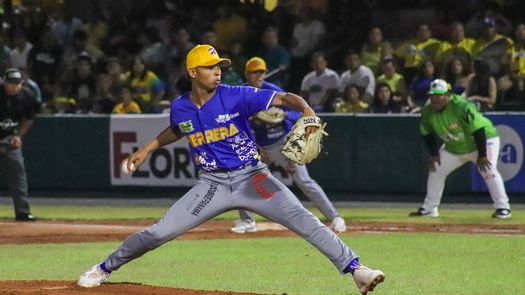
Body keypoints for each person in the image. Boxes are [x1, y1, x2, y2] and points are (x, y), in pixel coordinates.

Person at [77, 45, 385, 294]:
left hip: (255, 180)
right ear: (193, 72)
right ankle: (104, 268)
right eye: (211, 67)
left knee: (305, 220)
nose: (218, 71)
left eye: (219, 66)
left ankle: (356, 270)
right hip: (211, 187)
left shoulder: (237, 94)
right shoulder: (181, 106)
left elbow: (282, 98)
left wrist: (305, 109)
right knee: (159, 232)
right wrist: (147, 149)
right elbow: (178, 128)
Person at [230, 57, 346, 234]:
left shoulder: (272, 91)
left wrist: (284, 116)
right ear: (247, 74)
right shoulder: (241, 95)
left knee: (304, 181)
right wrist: (255, 148)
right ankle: (248, 222)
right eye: (255, 72)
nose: (260, 75)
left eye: (262, 72)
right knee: (241, 178)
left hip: (283, 143)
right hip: (260, 147)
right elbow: (237, 127)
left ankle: (335, 217)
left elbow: (295, 112)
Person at [410, 79, 511, 219]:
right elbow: (426, 132)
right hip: (455, 146)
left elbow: (478, 129)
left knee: (488, 170)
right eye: (432, 95)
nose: (435, 99)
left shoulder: (462, 106)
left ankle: (503, 208)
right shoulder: (428, 110)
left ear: (448, 95)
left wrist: (482, 155)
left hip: (482, 141)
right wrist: (434, 154)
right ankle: (429, 209)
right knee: (436, 169)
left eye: (439, 95)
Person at [0, 68, 39, 221]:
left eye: (17, 83)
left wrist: (18, 136)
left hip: (9, 138)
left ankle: (22, 212)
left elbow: (29, 118)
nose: (14, 86)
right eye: (10, 83)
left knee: (18, 174)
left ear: (22, 83)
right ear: (4, 82)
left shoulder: (27, 95)